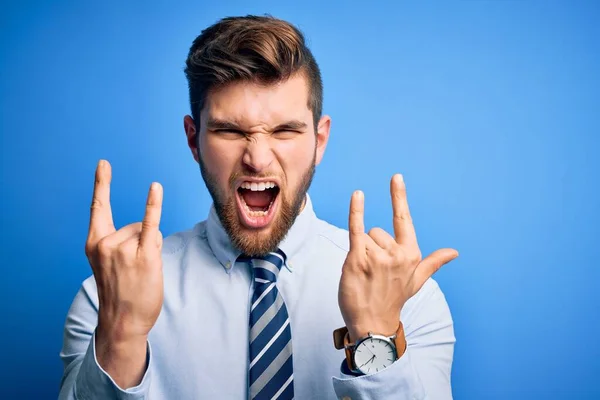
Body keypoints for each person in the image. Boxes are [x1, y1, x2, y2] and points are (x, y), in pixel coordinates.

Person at [59, 15, 458, 400]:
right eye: (230, 131)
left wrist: (377, 336)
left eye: (285, 130)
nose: (258, 158)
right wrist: (122, 332)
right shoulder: (106, 298)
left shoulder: (407, 299)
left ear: (319, 141)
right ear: (193, 139)